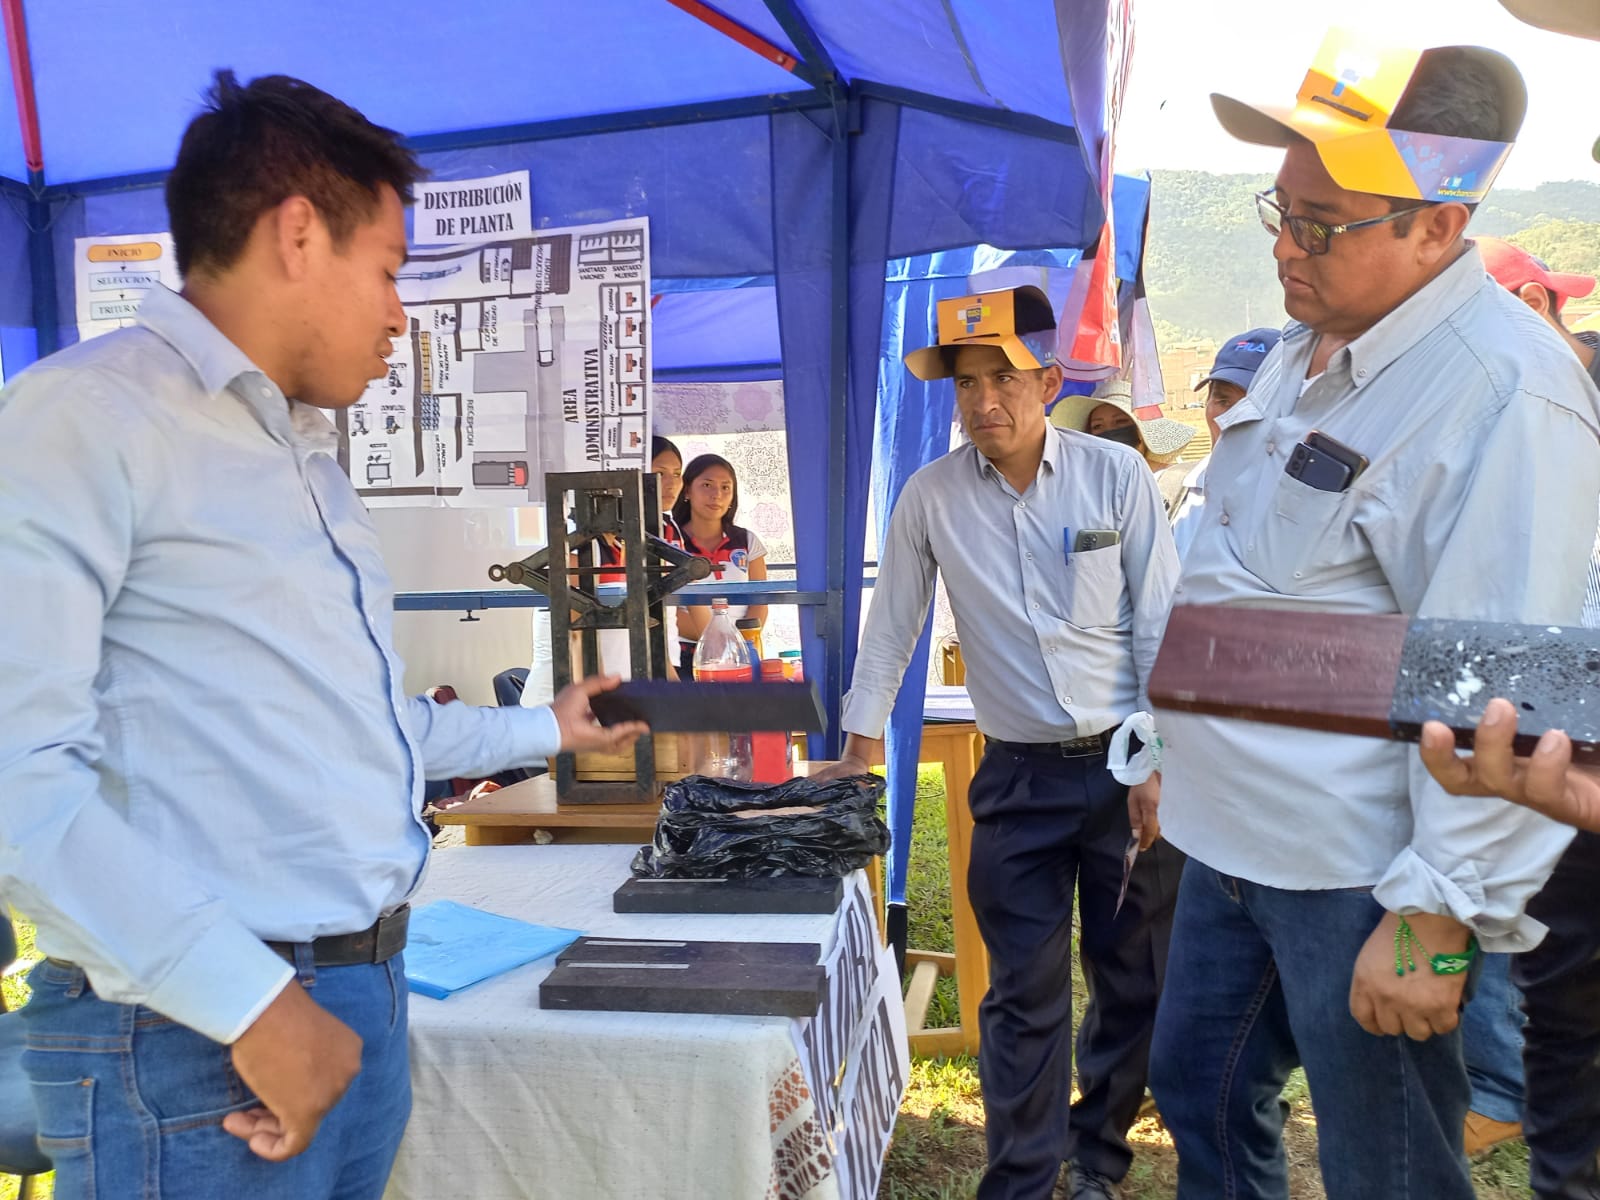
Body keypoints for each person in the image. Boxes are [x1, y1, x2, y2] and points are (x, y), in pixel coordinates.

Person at [0, 72, 644, 1200]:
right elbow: (17, 777)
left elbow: (349, 727)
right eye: (389, 271)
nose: (401, 313)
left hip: (350, 994)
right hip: (194, 1031)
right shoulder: (82, 420)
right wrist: (250, 1002)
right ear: (298, 234)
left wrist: (541, 724)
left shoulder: (301, 456)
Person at [1143, 31, 1600, 1200]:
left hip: (1358, 871)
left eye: (1322, 224)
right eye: (1280, 210)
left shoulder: (1503, 394)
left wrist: (1436, 917)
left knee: (1385, 1165)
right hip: (1230, 837)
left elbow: (1510, 687)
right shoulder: (1308, 346)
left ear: (1438, 226)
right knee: (1197, 1090)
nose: (1286, 249)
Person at [821, 284, 1181, 1200]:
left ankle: (1096, 1157)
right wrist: (858, 755)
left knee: (1130, 978)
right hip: (1016, 779)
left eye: (1004, 379)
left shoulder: (1116, 476)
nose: (984, 402)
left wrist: (1160, 761)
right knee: (1022, 994)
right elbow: (891, 631)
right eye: (965, 383)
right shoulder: (931, 497)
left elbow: (1162, 627)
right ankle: (1021, 1179)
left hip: (1122, 768)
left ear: (1049, 379)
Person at [1166, 328, 1281, 561]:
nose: (1234, 418)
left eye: (1250, 404)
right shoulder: (1170, 490)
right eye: (1223, 401)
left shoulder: (1299, 506)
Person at [670, 453, 768, 678]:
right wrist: (715, 640)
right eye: (707, 485)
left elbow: (760, 600)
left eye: (726, 488)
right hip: (686, 653)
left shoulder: (748, 541)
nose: (717, 495)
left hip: (740, 653)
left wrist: (739, 644)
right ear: (687, 491)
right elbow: (669, 612)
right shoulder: (671, 542)